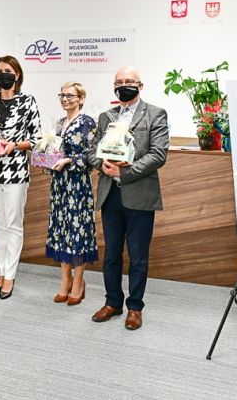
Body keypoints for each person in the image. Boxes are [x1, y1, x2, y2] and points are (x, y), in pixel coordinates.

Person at [88, 66, 169, 330]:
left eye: (130, 82)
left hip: (140, 195)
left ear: (140, 85)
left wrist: (125, 172)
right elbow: (92, 152)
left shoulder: (155, 114)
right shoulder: (105, 117)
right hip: (110, 195)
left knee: (138, 255)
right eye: (119, 82)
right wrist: (104, 166)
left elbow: (158, 154)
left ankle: (135, 307)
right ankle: (112, 302)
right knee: (111, 254)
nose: (124, 85)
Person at [0, 55, 41, 299]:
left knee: (13, 224)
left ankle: (10, 275)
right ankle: (2, 269)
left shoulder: (28, 101)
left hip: (15, 170)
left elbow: (37, 138)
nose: (3, 74)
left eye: (7, 70)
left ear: (17, 74)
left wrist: (15, 145)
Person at [46, 82, 98, 306]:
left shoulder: (87, 123)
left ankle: (78, 282)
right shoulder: (57, 124)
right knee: (61, 232)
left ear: (81, 98)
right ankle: (64, 281)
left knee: (78, 233)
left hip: (78, 185)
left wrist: (70, 161)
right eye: (62, 95)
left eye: (70, 95)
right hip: (59, 186)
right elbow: (52, 152)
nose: (65, 99)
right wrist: (46, 160)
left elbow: (93, 157)